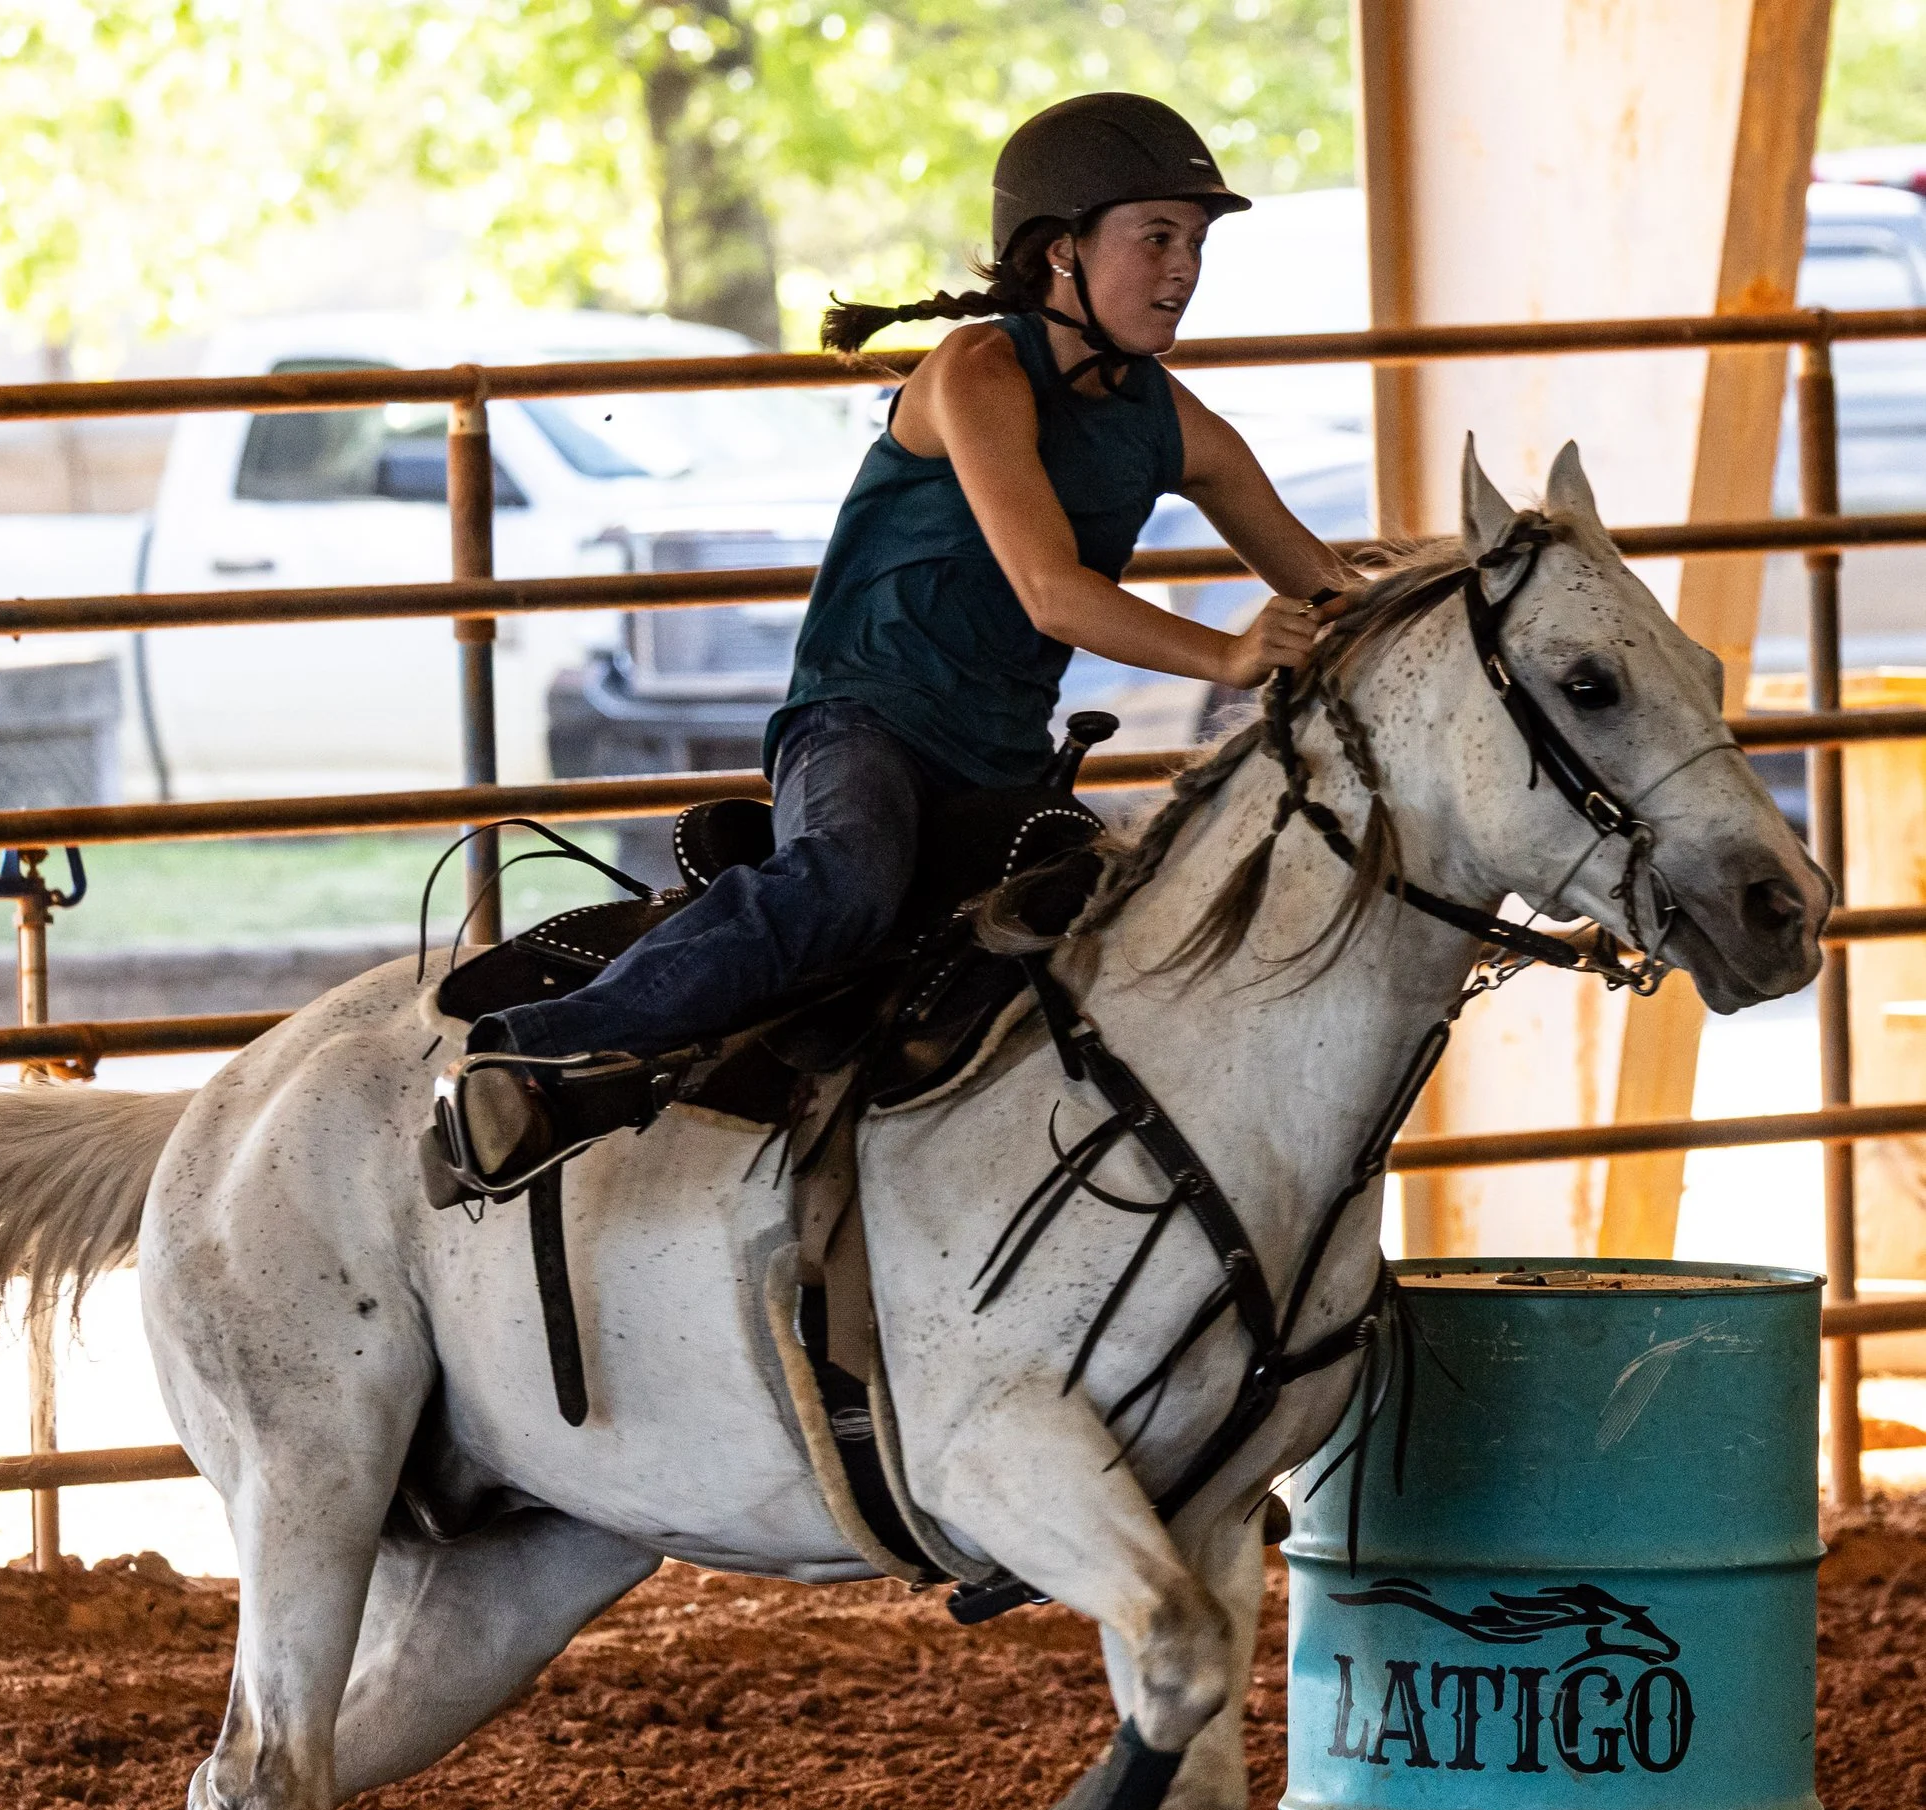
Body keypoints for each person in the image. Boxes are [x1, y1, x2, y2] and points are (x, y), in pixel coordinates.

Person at [429, 90, 1363, 1201]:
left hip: (1000, 759)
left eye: (1196, 243)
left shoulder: (1174, 422)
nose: (1184, 269)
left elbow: (1330, 589)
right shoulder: (976, 370)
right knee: (845, 879)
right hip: (860, 721)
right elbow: (1050, 592)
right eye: (1156, 237)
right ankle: (531, 1058)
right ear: (1060, 250)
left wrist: (1449, 612)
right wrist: (1226, 655)